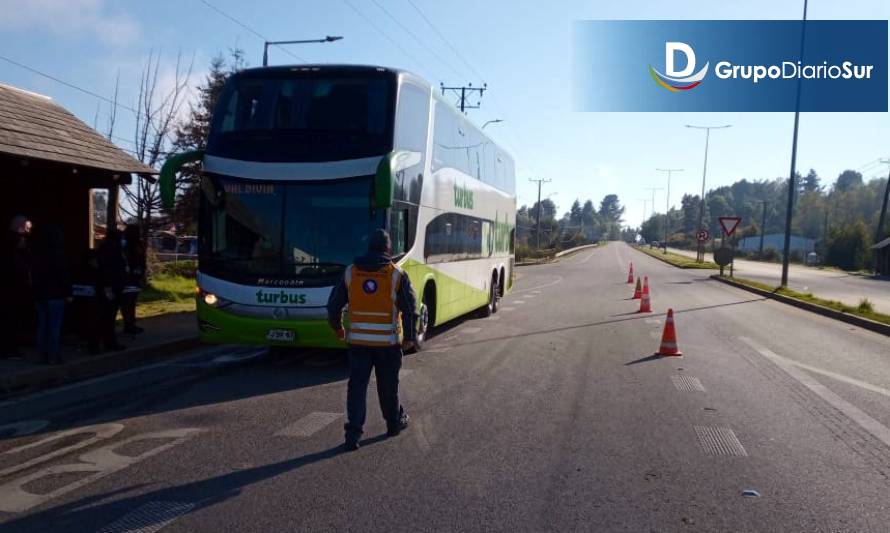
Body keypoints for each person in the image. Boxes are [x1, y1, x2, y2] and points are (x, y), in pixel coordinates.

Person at [327, 229, 417, 451]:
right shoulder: (397, 275)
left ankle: (353, 435)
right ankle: (393, 424)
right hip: (388, 345)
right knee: (388, 386)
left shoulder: (350, 273)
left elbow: (333, 305)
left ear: (368, 248)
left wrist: (337, 328)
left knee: (357, 387)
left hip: (358, 344)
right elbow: (410, 307)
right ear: (388, 249)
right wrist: (410, 338)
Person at [31, 225, 71, 365]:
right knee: (54, 326)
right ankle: (53, 355)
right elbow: (63, 276)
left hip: (41, 294)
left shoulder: (37, 255)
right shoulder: (59, 255)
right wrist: (68, 293)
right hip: (56, 295)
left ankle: (42, 355)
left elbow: (34, 277)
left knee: (42, 325)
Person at [1, 215, 33, 359]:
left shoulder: (12, 244)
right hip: (12, 290)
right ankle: (9, 349)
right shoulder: (14, 246)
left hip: (11, 289)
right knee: (10, 320)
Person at [96, 229, 127, 352]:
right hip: (111, 288)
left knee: (106, 316)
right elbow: (110, 271)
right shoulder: (112, 251)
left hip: (110, 287)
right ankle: (109, 342)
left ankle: (103, 342)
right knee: (108, 316)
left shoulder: (105, 249)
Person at [120, 224, 146, 334]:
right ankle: (129, 325)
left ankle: (130, 324)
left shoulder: (126, 243)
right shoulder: (130, 245)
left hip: (131, 277)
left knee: (129, 303)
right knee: (128, 303)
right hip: (130, 277)